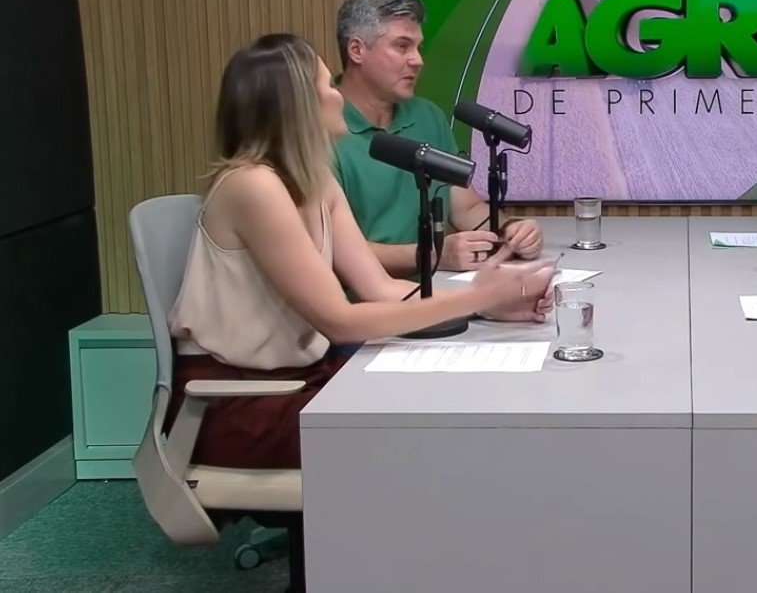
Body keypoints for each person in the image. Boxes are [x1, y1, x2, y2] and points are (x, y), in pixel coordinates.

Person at [167, 34, 555, 470]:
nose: (338, 94)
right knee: (426, 443)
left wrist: (487, 307)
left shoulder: (316, 182)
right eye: (326, 86)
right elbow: (339, 320)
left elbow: (381, 289)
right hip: (239, 400)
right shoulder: (253, 186)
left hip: (302, 380)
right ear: (298, 105)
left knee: (445, 410)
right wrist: (479, 295)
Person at [332, 0, 543, 277]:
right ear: (357, 50)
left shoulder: (427, 115)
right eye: (402, 46)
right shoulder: (314, 129)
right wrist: (432, 255)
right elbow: (328, 250)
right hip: (362, 298)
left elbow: (465, 208)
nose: (418, 60)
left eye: (418, 47)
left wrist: (512, 231)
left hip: (439, 288)